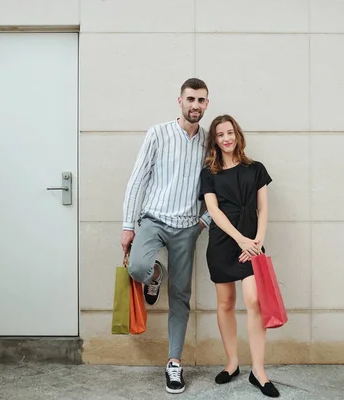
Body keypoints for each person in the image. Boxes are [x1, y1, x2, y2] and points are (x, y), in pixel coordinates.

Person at [121, 78, 212, 394]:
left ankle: (174, 364)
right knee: (137, 268)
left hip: (188, 228)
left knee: (180, 297)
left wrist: (204, 222)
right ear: (180, 101)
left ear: (206, 104)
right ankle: (155, 272)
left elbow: (223, 186)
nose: (195, 105)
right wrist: (128, 225)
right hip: (153, 220)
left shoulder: (209, 142)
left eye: (201, 100)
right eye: (190, 99)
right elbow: (137, 180)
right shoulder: (157, 133)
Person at [198, 114, 280, 397]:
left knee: (254, 301)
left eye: (230, 132)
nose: (226, 138)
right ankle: (232, 362)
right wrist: (240, 239)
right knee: (225, 303)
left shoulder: (255, 169)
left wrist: (257, 241)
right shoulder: (209, 172)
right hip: (223, 242)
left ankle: (258, 370)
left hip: (252, 244)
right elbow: (214, 211)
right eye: (220, 135)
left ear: (237, 134)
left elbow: (264, 209)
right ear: (215, 140)